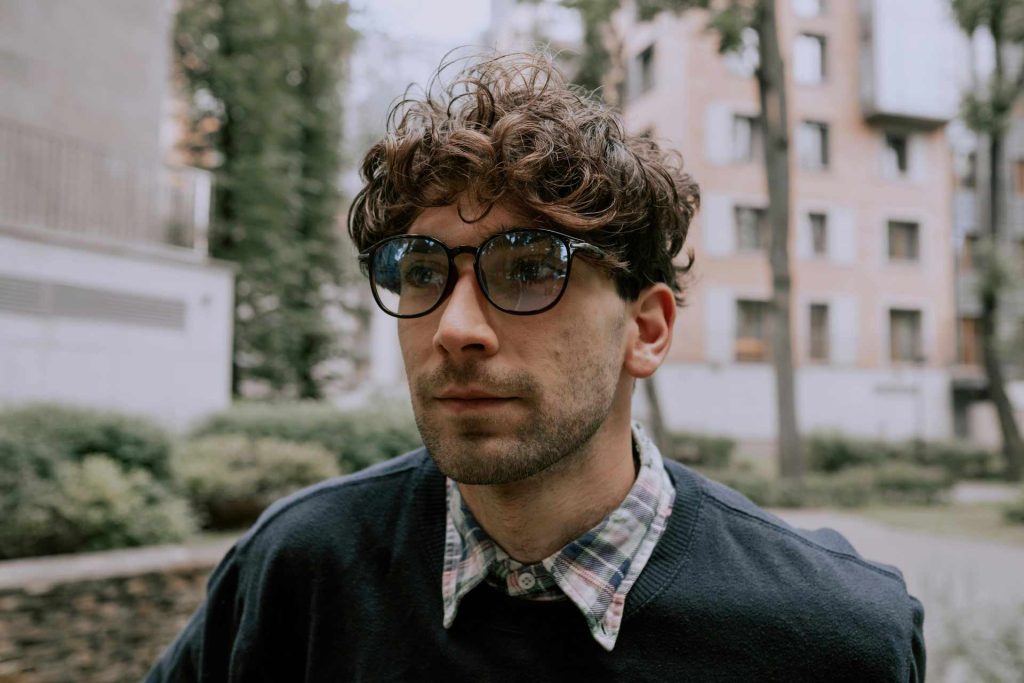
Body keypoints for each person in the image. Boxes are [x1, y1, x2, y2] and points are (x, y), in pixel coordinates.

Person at [147, 52, 925, 682]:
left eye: (527, 269)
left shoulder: (830, 638)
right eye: (420, 271)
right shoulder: (299, 569)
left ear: (646, 329)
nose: (455, 328)